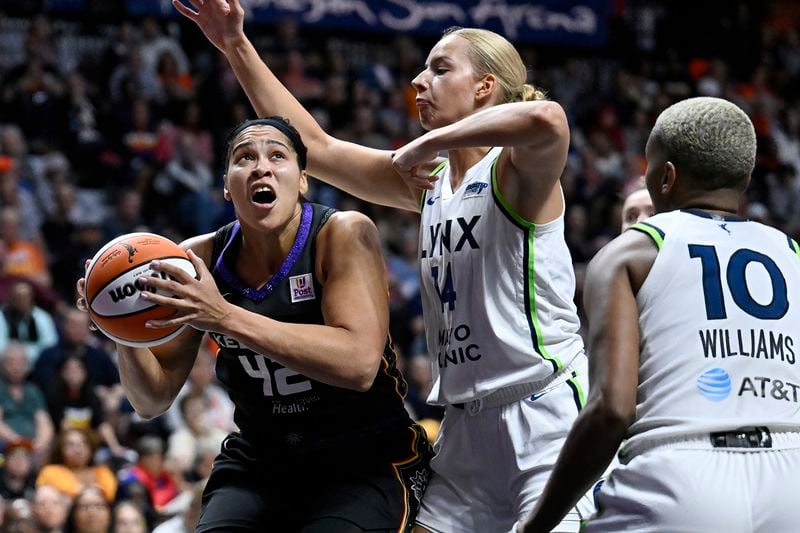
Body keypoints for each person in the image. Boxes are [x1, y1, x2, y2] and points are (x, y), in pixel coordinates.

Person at [175, 1, 592, 531]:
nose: (419, 81)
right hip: (465, 424)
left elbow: (548, 118)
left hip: (543, 410)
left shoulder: (514, 172)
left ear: (485, 87)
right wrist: (234, 43)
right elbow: (317, 148)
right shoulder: (429, 181)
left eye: (440, 69)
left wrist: (423, 143)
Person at [77, 117, 432, 531]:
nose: (261, 166)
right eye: (245, 157)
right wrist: (124, 330)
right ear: (228, 185)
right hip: (263, 457)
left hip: (364, 452)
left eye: (277, 155)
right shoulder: (197, 260)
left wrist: (225, 315)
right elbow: (151, 400)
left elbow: (358, 365)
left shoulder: (343, 233)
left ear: (302, 180)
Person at [520, 96, 800, 531]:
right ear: (744, 180)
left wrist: (536, 523)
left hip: (680, 473)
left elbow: (611, 411)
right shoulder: (792, 254)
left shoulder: (628, 253)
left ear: (665, 177)